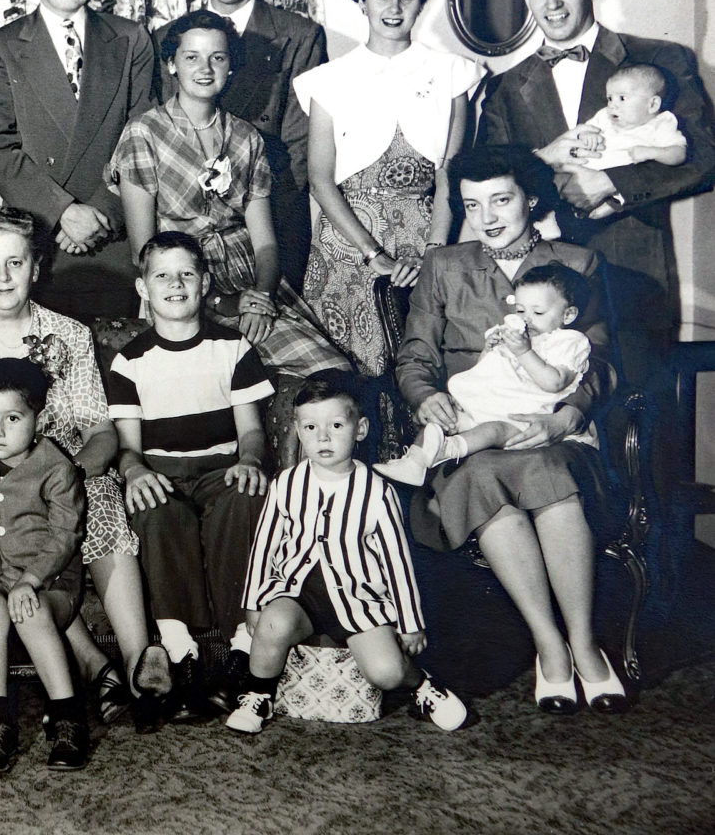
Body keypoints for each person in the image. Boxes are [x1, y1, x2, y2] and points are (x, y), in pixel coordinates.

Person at [394, 145, 628, 716]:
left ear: (531, 198)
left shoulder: (576, 262)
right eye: (472, 205)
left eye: (501, 200)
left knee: (550, 473)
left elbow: (600, 361)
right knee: (485, 482)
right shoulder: (444, 267)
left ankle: (584, 645)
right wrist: (426, 400)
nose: (488, 217)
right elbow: (415, 357)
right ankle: (550, 647)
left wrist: (570, 413)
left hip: (550, 429)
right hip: (474, 432)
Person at [0, 208, 165, 729]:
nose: (2, 277)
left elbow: (99, 427)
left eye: (15, 263)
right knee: (3, 513)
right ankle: (96, 668)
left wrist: (70, 474)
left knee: (96, 495)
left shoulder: (67, 334)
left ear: (36, 268)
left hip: (62, 468)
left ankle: (140, 662)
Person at [478, 0, 715, 408]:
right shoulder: (506, 87)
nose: (553, 2)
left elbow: (703, 156)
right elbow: (489, 180)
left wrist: (611, 182)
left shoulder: (659, 61)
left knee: (643, 424)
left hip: (632, 275)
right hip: (544, 287)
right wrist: (544, 159)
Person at [108, 10, 350, 379]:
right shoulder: (144, 133)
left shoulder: (246, 138)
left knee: (331, 371)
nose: (205, 68)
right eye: (191, 57)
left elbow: (265, 244)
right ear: (171, 64)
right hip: (179, 284)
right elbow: (144, 252)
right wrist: (222, 301)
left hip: (251, 281)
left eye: (217, 57)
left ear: (230, 66)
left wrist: (260, 299)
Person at [227, 373, 469, 734]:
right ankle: (259, 694)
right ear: (297, 429)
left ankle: (421, 686)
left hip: (358, 600)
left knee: (386, 672)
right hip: (298, 594)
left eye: (336, 425)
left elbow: (397, 561)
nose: (323, 437)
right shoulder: (286, 484)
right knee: (271, 624)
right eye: (310, 427)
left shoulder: (376, 492)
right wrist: (253, 601)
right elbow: (265, 544)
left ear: (360, 429)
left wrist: (409, 620)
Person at [109, 232, 274, 727]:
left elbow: (251, 432)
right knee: (154, 510)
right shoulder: (128, 360)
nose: (175, 284)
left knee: (243, 500)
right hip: (160, 469)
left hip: (221, 466)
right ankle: (180, 652)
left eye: (186, 273)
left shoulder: (232, 347)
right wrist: (135, 470)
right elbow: (128, 446)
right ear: (143, 288)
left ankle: (236, 651)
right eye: (162, 275)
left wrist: (248, 461)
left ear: (204, 283)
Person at [295, 0, 482, 378]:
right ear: (361, 1)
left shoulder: (452, 72)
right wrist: (371, 253)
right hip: (347, 246)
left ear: (422, 2)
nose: (393, 9)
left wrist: (434, 253)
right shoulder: (327, 80)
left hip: (427, 238)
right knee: (348, 383)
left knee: (422, 373)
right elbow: (320, 182)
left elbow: (449, 173)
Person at [0, 0, 155, 318]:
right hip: (42, 237)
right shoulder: (0, 47)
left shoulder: (130, 39)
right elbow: (1, 148)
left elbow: (142, 140)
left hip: (113, 231)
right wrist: (63, 212)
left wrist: (102, 212)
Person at [153, 0, 328, 290]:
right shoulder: (167, 36)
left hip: (270, 225)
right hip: (183, 230)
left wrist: (246, 212)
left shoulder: (299, 36)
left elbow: (300, 149)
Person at [0, 358, 89, 775]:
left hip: (51, 582)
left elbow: (65, 535)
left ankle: (68, 717)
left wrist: (32, 581)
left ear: (38, 418)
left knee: (32, 612)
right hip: (0, 580)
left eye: (13, 418)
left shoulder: (55, 467)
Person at [377, 262, 594, 486]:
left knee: (493, 430)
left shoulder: (569, 341)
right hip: (491, 404)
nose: (526, 319)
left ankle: (450, 449)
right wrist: (489, 350)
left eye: (537, 312)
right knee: (440, 422)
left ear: (568, 315)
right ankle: (414, 462)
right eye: (520, 310)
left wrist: (524, 351)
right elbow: (485, 372)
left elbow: (554, 382)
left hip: (525, 416)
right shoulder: (518, 335)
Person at [574, 65, 688, 214]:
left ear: (652, 104)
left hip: (613, 186)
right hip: (580, 174)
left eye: (622, 98)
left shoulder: (661, 125)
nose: (612, 106)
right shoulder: (604, 116)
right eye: (610, 98)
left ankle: (613, 204)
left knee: (622, 196)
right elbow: (583, 131)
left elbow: (679, 153)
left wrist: (653, 152)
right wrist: (588, 136)